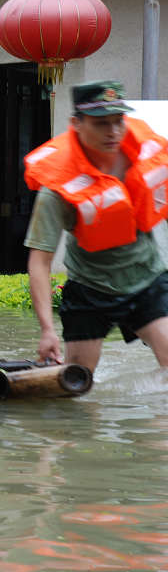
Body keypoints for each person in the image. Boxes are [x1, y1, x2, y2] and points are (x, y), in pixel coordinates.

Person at [24, 80, 168, 372]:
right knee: (78, 384)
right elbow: (39, 262)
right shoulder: (57, 188)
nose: (113, 132)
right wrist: (47, 330)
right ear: (76, 123)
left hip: (147, 279)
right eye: (101, 123)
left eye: (118, 121)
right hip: (89, 289)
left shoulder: (145, 158)